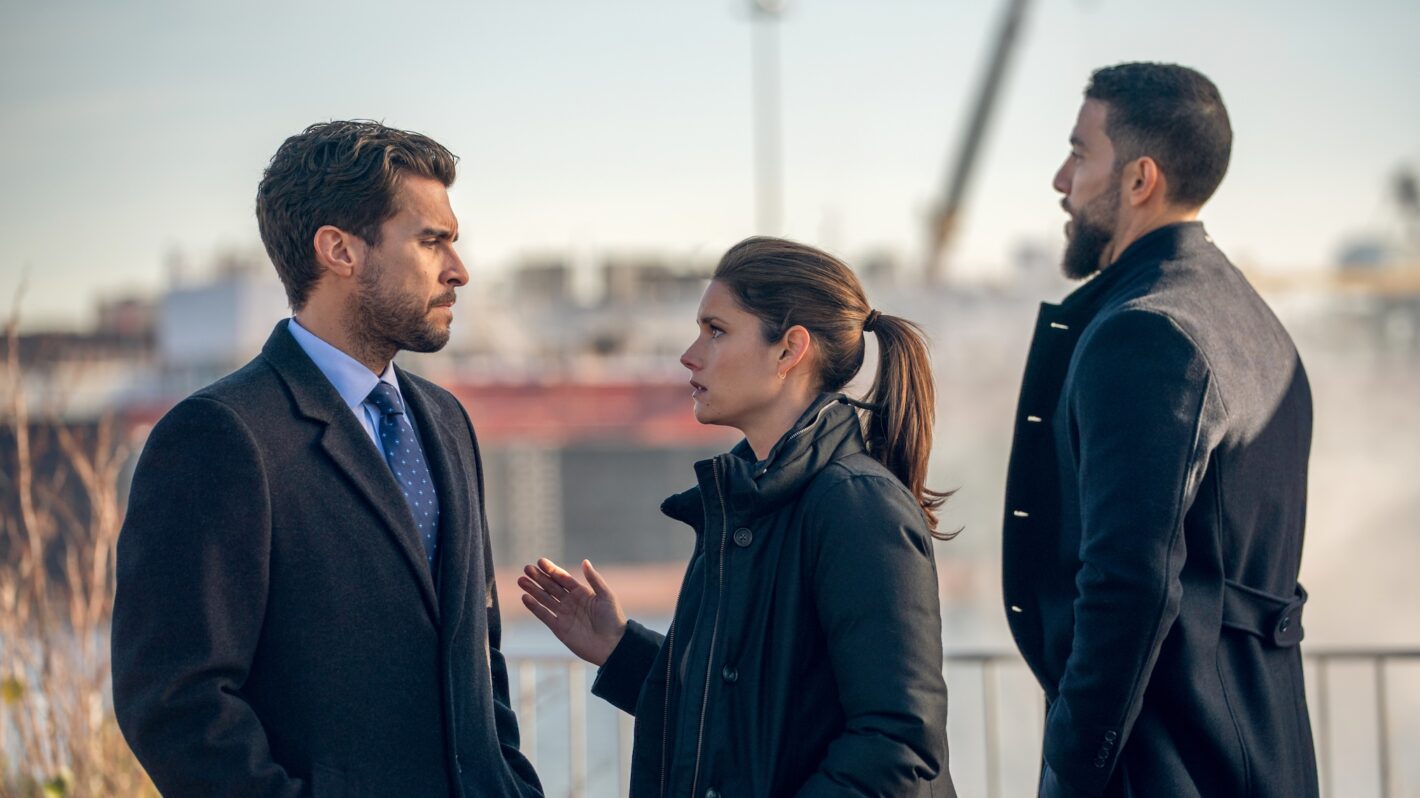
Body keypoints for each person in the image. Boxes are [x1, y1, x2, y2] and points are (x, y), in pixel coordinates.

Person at [111, 121, 541, 797]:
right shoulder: (219, 436)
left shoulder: (447, 421)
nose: (459, 270)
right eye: (431, 241)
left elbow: (479, 655)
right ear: (340, 250)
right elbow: (174, 705)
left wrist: (511, 783)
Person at [519, 237, 957, 797]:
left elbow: (898, 745)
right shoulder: (743, 504)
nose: (690, 354)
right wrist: (621, 649)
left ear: (789, 350)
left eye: (716, 331)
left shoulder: (858, 507)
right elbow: (749, 713)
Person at [1002, 63, 1318, 798]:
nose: (1061, 180)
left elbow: (1128, 582)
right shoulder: (1254, 322)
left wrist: (1072, 767)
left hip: (1167, 767)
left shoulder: (1146, 334)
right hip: (1263, 752)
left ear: (1140, 179)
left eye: (1079, 153)